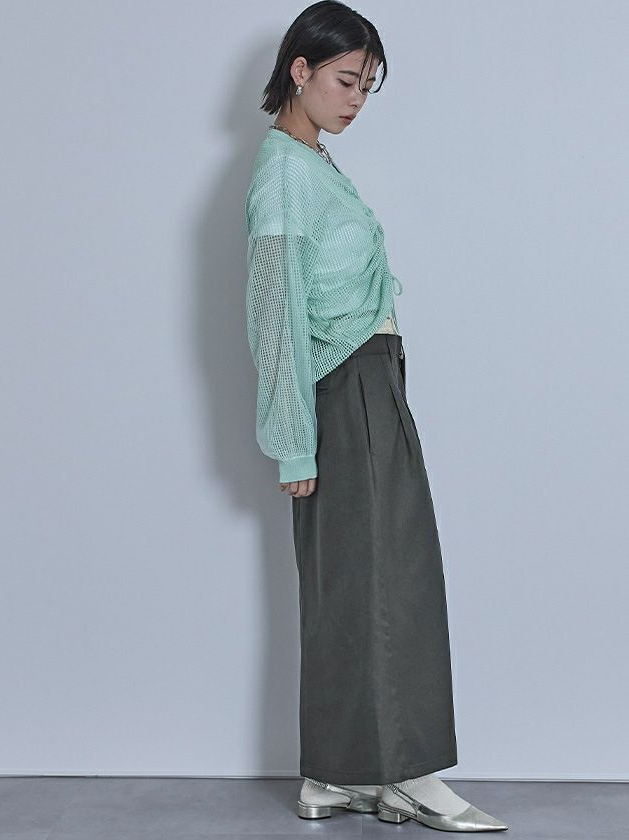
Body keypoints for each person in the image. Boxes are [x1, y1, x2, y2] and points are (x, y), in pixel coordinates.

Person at [245, 1, 508, 832]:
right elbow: (275, 315)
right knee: (393, 580)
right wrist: (293, 444)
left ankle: (336, 775)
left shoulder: (311, 162)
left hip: (368, 385)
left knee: (357, 585)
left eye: (367, 85)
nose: (357, 99)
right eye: (346, 80)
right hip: (345, 392)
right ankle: (412, 775)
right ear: (300, 71)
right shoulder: (285, 175)